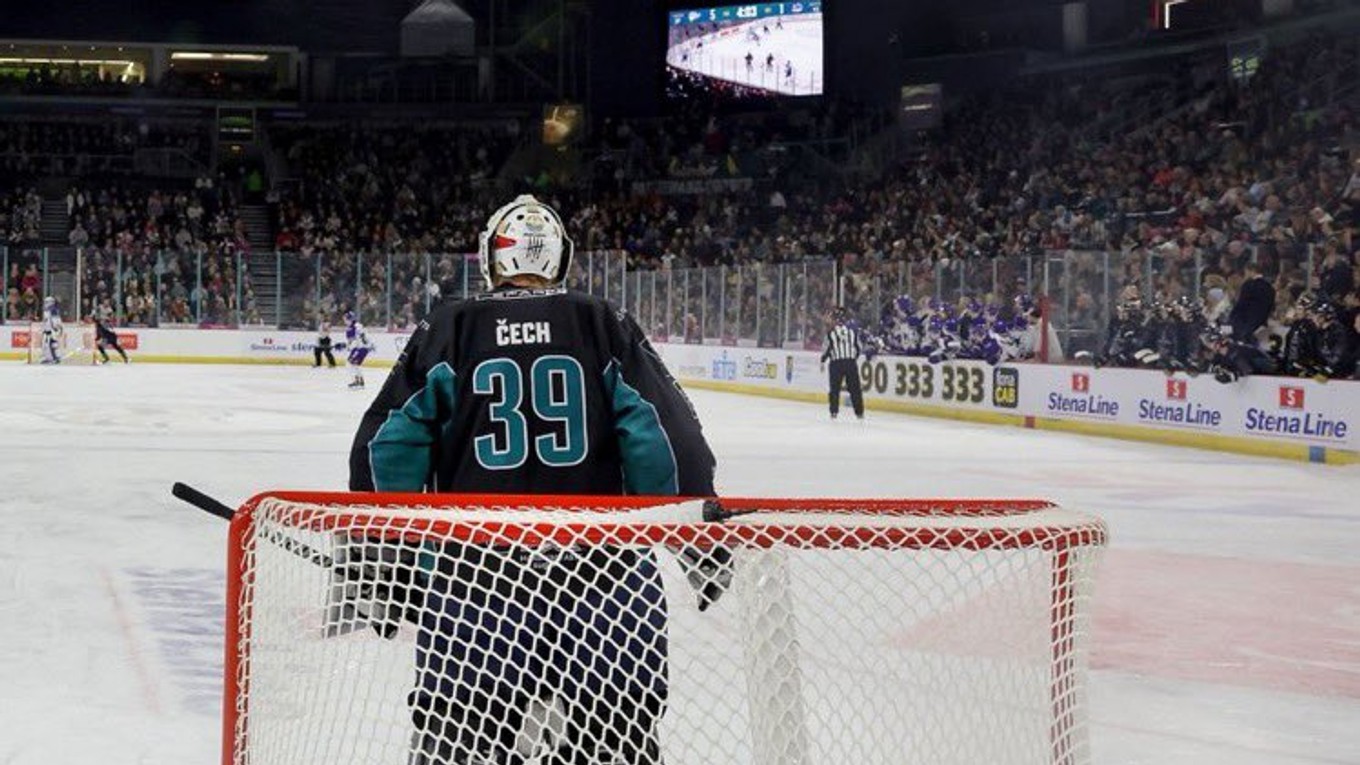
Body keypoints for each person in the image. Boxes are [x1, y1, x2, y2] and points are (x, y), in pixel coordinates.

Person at [349, 194, 717, 765]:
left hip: (475, 585)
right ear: (560, 259)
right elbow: (666, 438)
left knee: (460, 743)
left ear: (491, 258)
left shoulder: (451, 326)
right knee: (616, 742)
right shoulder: (601, 321)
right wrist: (699, 544)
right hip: (602, 585)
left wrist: (383, 566)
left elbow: (387, 446)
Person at [820, 306, 865, 419]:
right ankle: (859, 412)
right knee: (855, 388)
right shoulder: (852, 332)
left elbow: (826, 349)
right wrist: (852, 358)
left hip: (836, 363)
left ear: (835, 320)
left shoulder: (830, 333)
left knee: (834, 388)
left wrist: (823, 360)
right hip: (850, 362)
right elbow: (859, 347)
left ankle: (834, 412)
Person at [1229, 260, 1275, 344]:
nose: (1245, 275)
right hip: (1261, 323)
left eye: (1246, 272)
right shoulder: (1269, 287)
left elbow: (1242, 304)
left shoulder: (1249, 285)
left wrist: (1233, 316)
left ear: (1251, 271)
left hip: (1246, 323)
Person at [342, 311, 374, 389]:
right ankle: (360, 382)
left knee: (350, 363)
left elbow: (351, 340)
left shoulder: (352, 327)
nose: (344, 321)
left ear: (350, 319)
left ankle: (357, 381)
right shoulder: (358, 325)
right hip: (362, 347)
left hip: (361, 347)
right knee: (354, 364)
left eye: (346, 319)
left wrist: (345, 345)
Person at [37, 296, 63, 364]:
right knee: (48, 344)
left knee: (51, 344)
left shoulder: (53, 310)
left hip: (52, 330)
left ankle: (53, 358)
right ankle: (51, 357)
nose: (45, 304)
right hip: (48, 330)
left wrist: (55, 329)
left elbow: (55, 321)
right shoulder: (48, 310)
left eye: (46, 302)